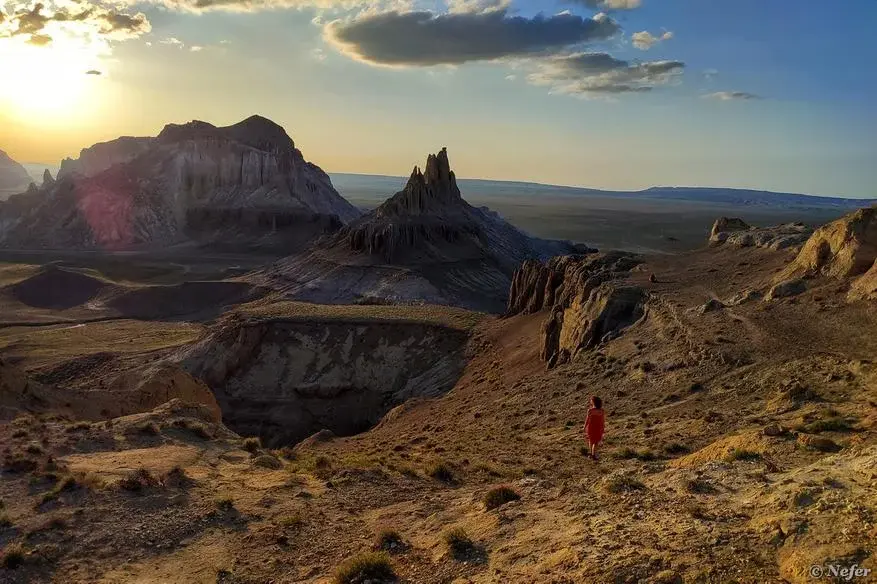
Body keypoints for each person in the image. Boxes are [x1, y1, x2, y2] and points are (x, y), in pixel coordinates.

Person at [584, 396, 605, 460]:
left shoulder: (590, 410)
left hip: (591, 427)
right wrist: (603, 428)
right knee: (596, 441)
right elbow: (602, 420)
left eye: (591, 400)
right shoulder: (601, 411)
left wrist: (584, 427)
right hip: (598, 427)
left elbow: (587, 420)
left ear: (593, 402)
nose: (590, 401)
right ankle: (593, 454)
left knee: (591, 440)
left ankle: (592, 454)